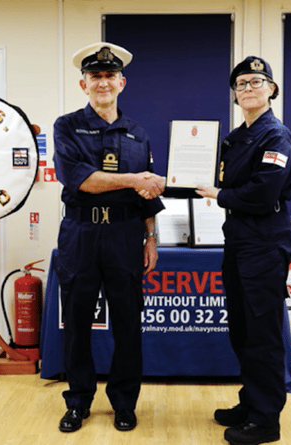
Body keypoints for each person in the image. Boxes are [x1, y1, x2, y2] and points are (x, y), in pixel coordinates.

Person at [52, 42, 166, 433]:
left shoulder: (137, 133)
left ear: (122, 82)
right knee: (77, 324)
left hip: (124, 236)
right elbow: (81, 180)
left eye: (110, 75)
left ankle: (124, 403)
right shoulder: (66, 126)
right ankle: (78, 402)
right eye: (95, 76)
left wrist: (151, 237)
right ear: (83, 84)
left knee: (128, 324)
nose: (103, 82)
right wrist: (135, 179)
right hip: (81, 235)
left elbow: (146, 195)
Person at [196, 56, 291, 445]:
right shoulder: (236, 138)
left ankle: (266, 419)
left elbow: (262, 193)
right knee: (242, 328)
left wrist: (219, 195)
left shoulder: (276, 137)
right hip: (239, 237)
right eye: (241, 84)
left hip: (264, 238)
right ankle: (252, 402)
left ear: (271, 89)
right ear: (235, 95)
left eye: (256, 82)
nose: (248, 89)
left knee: (262, 331)